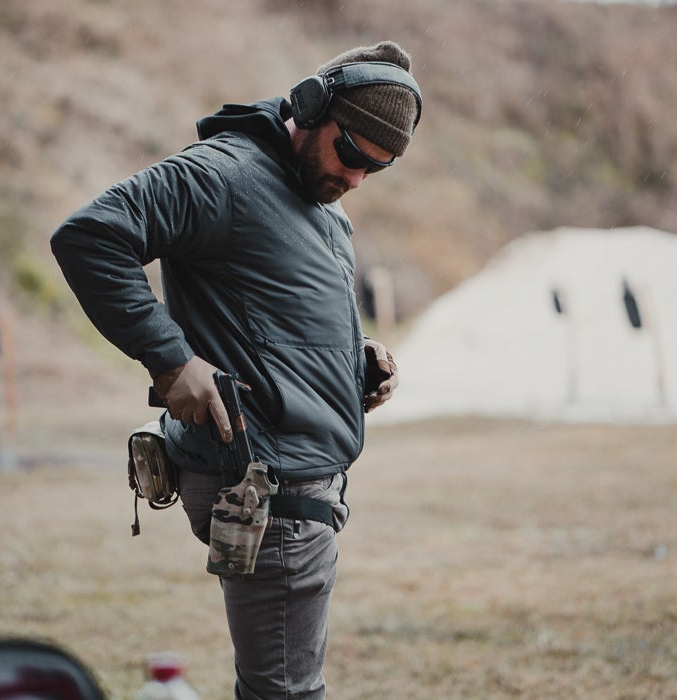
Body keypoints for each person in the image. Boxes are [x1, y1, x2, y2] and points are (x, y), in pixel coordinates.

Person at [51, 40, 421, 700]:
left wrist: (351, 364)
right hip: (268, 489)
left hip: (299, 482)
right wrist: (170, 361)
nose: (357, 179)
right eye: (352, 155)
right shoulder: (224, 174)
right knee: (285, 693)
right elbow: (91, 236)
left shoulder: (318, 196)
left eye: (378, 169)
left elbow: (267, 311)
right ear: (309, 108)